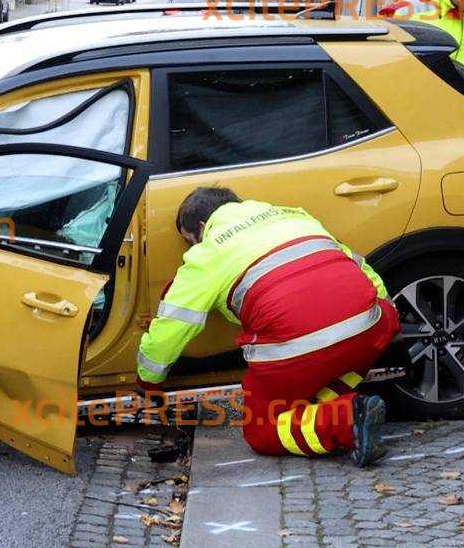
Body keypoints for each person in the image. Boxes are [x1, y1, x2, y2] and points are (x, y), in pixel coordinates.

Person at [135, 187, 399, 465]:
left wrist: (148, 379)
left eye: (190, 241)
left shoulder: (208, 251)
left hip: (301, 351)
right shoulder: (295, 216)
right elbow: (360, 267)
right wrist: (387, 318)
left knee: (262, 428)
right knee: (342, 352)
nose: (191, 249)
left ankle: (346, 419)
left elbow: (174, 324)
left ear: (202, 227)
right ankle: (336, 403)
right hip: (369, 329)